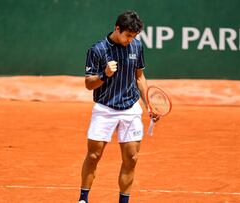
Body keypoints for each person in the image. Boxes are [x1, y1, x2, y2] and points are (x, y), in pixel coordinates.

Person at [78, 10, 159, 203]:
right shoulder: (97, 50)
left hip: (130, 109)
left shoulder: (136, 47)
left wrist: (149, 103)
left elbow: (139, 77)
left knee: (131, 159)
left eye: (134, 36)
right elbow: (89, 84)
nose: (130, 40)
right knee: (93, 155)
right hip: (105, 109)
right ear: (117, 29)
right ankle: (83, 198)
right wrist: (105, 74)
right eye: (128, 35)